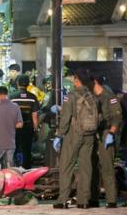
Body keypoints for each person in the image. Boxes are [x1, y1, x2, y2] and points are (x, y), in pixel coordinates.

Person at [52, 69, 97, 209]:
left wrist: (59, 135)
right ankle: (83, 201)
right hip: (89, 135)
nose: (72, 80)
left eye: (73, 78)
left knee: (66, 167)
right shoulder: (92, 96)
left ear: (77, 79)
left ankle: (63, 200)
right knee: (86, 168)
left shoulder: (71, 96)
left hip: (74, 134)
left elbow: (65, 118)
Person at [89, 74, 122, 208]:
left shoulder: (109, 96)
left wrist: (111, 133)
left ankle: (111, 200)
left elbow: (117, 117)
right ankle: (93, 198)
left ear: (95, 82)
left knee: (107, 168)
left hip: (107, 133)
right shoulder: (91, 97)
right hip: (94, 134)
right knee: (93, 168)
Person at [0, 86, 23, 167]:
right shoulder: (15, 106)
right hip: (10, 142)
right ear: (7, 94)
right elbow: (19, 124)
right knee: (9, 167)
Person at [10, 75, 39, 169]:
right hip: (28, 127)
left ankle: (16, 167)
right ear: (28, 84)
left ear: (18, 83)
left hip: (15, 127)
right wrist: (36, 129)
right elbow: (34, 116)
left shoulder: (12, 96)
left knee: (15, 147)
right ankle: (27, 168)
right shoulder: (32, 97)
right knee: (27, 148)